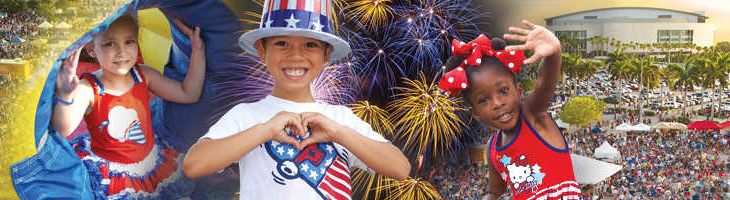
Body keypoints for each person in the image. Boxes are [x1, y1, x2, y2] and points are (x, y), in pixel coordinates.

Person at [181, 0, 410, 199]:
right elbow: (194, 165)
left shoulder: (341, 118)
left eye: (310, 45)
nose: (295, 55)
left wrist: (339, 133)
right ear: (262, 50)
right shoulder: (246, 115)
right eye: (282, 43)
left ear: (326, 53)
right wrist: (266, 130)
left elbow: (400, 168)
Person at [50, 14, 205, 199]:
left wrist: (198, 52)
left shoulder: (143, 75)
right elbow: (62, 130)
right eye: (110, 44)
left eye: (129, 41)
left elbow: (189, 94)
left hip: (152, 163)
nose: (122, 52)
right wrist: (64, 94)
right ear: (91, 48)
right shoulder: (88, 88)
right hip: (111, 174)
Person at [439, 20, 580, 199]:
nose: (497, 103)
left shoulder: (532, 116)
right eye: (483, 100)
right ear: (475, 113)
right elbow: (495, 191)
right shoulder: (492, 149)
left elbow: (545, 82)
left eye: (503, 91)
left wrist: (554, 52)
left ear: (520, 91)